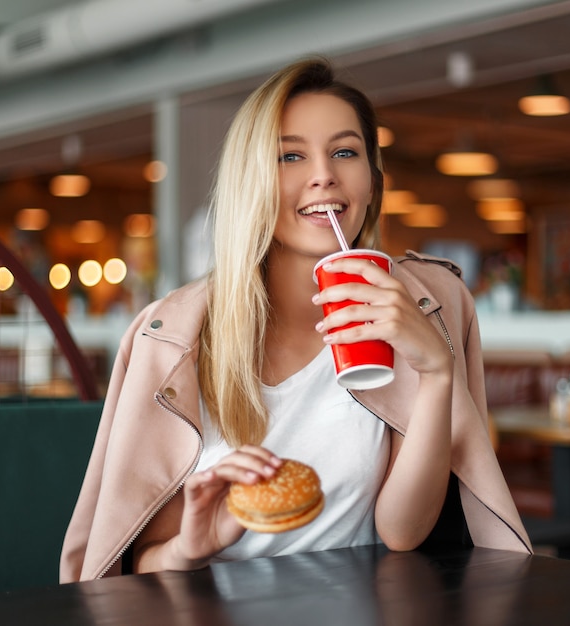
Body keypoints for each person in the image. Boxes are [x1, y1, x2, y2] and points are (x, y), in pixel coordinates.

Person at [60, 58, 531, 583]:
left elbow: (402, 531)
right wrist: (189, 550)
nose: (323, 174)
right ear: (251, 182)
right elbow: (137, 564)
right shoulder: (171, 338)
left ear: (372, 183)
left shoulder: (422, 305)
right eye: (290, 156)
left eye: (345, 152)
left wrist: (438, 372)